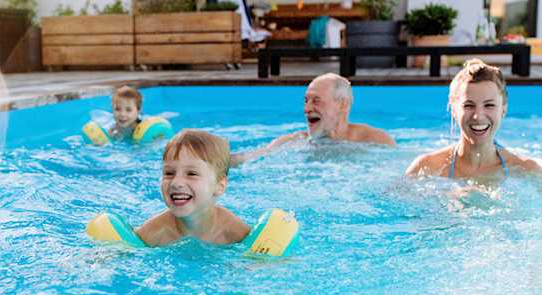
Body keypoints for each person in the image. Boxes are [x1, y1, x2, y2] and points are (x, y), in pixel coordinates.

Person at [406, 59, 541, 178]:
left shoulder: (527, 171)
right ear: (454, 110)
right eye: (469, 105)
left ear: (503, 110)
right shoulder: (426, 169)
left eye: (489, 105)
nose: (478, 116)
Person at [232, 73, 395, 166]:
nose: (306, 109)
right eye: (306, 100)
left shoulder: (376, 140)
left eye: (316, 100)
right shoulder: (291, 143)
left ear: (342, 104)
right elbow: (248, 158)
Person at [136, 129, 250, 246]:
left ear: (219, 186)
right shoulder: (152, 233)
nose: (176, 183)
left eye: (191, 174)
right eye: (169, 173)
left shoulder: (234, 232)